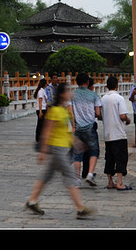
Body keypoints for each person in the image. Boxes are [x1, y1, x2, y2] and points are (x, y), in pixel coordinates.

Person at [24, 83, 93, 219]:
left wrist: (75, 141)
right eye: (68, 91)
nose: (70, 93)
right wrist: (43, 151)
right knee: (70, 176)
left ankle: (32, 201)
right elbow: (46, 131)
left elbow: (65, 131)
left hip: (63, 148)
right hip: (57, 149)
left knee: (46, 175)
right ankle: (80, 208)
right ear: (62, 94)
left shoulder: (64, 110)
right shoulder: (55, 111)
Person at [100, 75, 132, 190]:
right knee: (120, 158)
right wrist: (128, 120)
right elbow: (122, 115)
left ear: (107, 86)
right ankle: (119, 182)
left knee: (109, 158)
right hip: (118, 133)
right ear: (117, 86)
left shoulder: (103, 99)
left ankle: (110, 181)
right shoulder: (119, 98)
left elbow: (99, 115)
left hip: (107, 133)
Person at [33, 78, 48, 150]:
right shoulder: (41, 91)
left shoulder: (42, 91)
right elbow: (40, 102)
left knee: (42, 124)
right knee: (40, 124)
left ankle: (40, 138)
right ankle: (38, 138)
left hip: (43, 109)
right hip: (42, 109)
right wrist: (40, 112)